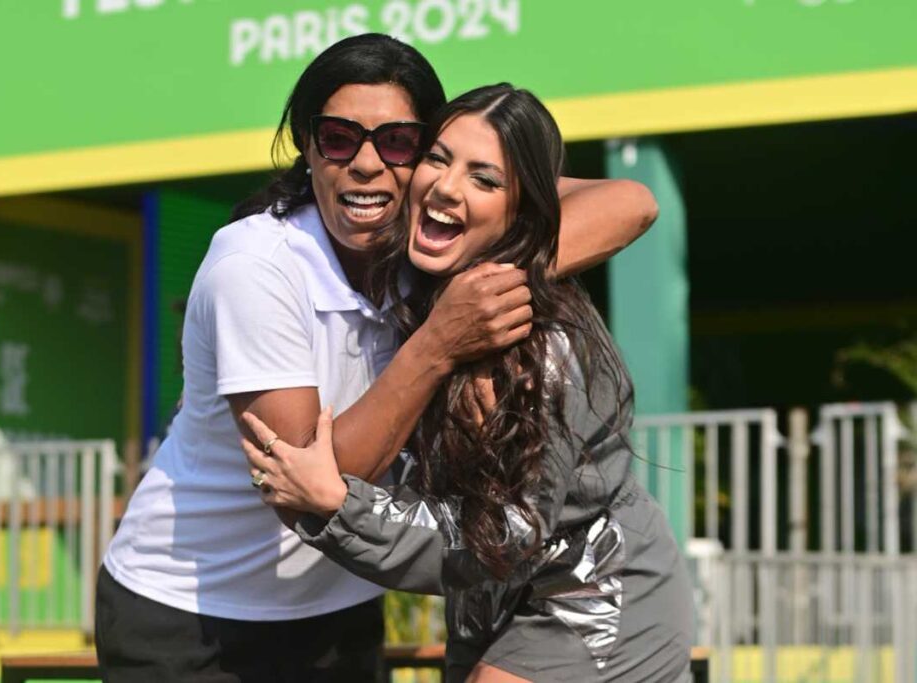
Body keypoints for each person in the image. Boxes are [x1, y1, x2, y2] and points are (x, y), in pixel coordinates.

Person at [97, 34, 659, 682]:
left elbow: (631, 202)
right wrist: (440, 339)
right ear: (309, 147)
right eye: (339, 138)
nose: (367, 163)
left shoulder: (424, 249)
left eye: (397, 142)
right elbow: (312, 478)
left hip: (339, 604)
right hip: (192, 615)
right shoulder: (255, 267)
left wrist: (490, 276)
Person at [240, 84, 693, 683]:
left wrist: (341, 507)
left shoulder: (534, 349)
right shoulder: (417, 291)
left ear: (521, 210)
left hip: (595, 593)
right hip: (491, 602)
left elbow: (505, 536)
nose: (448, 188)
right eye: (438, 158)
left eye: (485, 179)